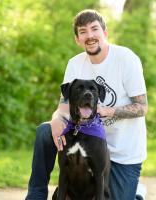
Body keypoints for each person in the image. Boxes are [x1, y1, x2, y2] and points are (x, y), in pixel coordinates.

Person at [25, 9, 148, 200]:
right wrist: (56, 118)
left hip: (123, 153)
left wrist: (109, 110)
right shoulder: (75, 64)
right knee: (44, 131)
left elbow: (142, 107)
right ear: (77, 39)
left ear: (105, 33)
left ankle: (135, 193)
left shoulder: (126, 59)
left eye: (94, 29)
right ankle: (35, 195)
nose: (89, 35)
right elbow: (63, 107)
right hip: (84, 139)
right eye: (83, 31)